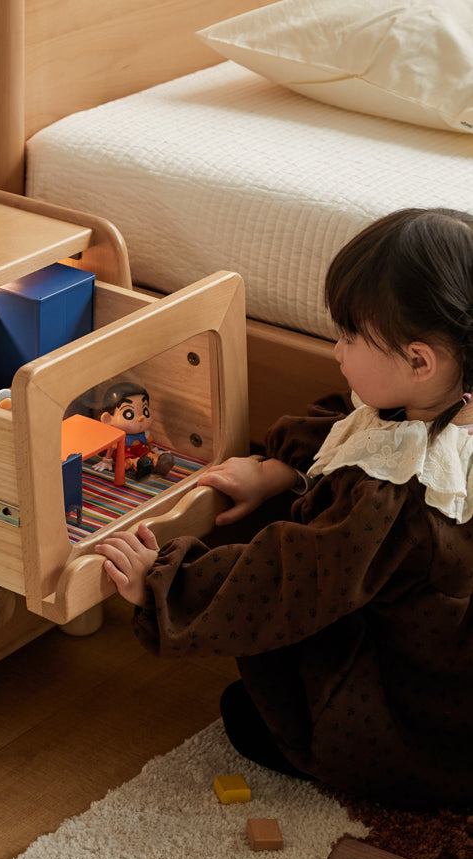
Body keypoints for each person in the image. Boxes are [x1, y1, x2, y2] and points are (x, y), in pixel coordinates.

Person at [96, 208, 473, 810]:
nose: (337, 350)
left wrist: (166, 587)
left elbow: (290, 578)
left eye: (350, 337)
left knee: (250, 716)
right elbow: (359, 422)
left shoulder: (391, 500)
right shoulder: (446, 406)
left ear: (420, 361)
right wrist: (285, 467)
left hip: (424, 719)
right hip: (451, 665)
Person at [93, 381, 174, 479]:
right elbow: (110, 449)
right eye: (129, 414)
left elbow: (150, 444)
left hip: (142, 450)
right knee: (130, 462)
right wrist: (106, 460)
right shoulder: (117, 437)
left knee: (150, 455)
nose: (141, 418)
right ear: (108, 419)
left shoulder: (145, 434)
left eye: (145, 411)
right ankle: (141, 469)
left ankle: (160, 464)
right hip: (125, 454)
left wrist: (154, 451)